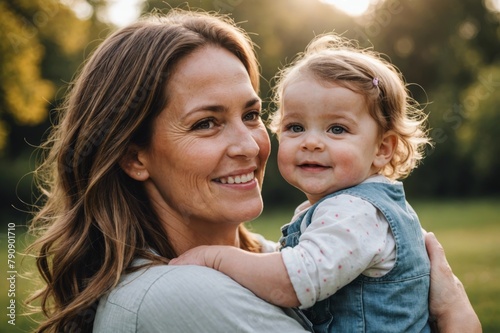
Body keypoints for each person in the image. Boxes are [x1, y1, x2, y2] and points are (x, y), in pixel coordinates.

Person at [25, 9, 481, 333]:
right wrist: (458, 320)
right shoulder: (177, 296)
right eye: (206, 123)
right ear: (133, 157)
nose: (249, 145)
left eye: (250, 114)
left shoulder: (273, 254)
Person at [171, 34, 442, 332]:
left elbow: (293, 283)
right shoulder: (342, 208)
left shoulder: (356, 212)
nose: (311, 142)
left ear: (382, 149)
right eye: (295, 127)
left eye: (337, 129)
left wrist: (216, 257)